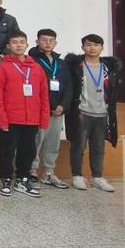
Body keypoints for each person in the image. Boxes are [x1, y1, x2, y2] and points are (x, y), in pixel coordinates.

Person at [0, 30, 50, 198]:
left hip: (32, 119)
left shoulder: (36, 68)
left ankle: (23, 179)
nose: (18, 45)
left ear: (27, 45)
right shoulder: (2, 67)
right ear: (8, 46)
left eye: (21, 42)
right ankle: (6, 179)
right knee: (7, 151)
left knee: (28, 151)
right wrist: (2, 120)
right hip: (10, 118)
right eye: (14, 42)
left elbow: (44, 95)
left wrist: (43, 118)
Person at [65, 34, 120, 192]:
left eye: (96, 45)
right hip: (82, 112)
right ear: (82, 47)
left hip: (102, 113)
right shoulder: (76, 66)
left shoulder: (109, 67)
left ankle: (97, 177)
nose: (92, 48)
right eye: (89, 45)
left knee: (98, 147)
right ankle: (77, 175)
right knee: (78, 146)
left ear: (102, 48)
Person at [28, 29, 72, 189]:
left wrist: (63, 106)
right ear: (37, 41)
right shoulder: (31, 61)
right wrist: (48, 106)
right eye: (44, 40)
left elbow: (69, 86)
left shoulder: (61, 63)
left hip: (58, 111)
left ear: (55, 43)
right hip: (40, 109)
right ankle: (31, 171)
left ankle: (48, 172)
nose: (47, 43)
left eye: (51, 40)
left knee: (53, 142)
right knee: (36, 140)